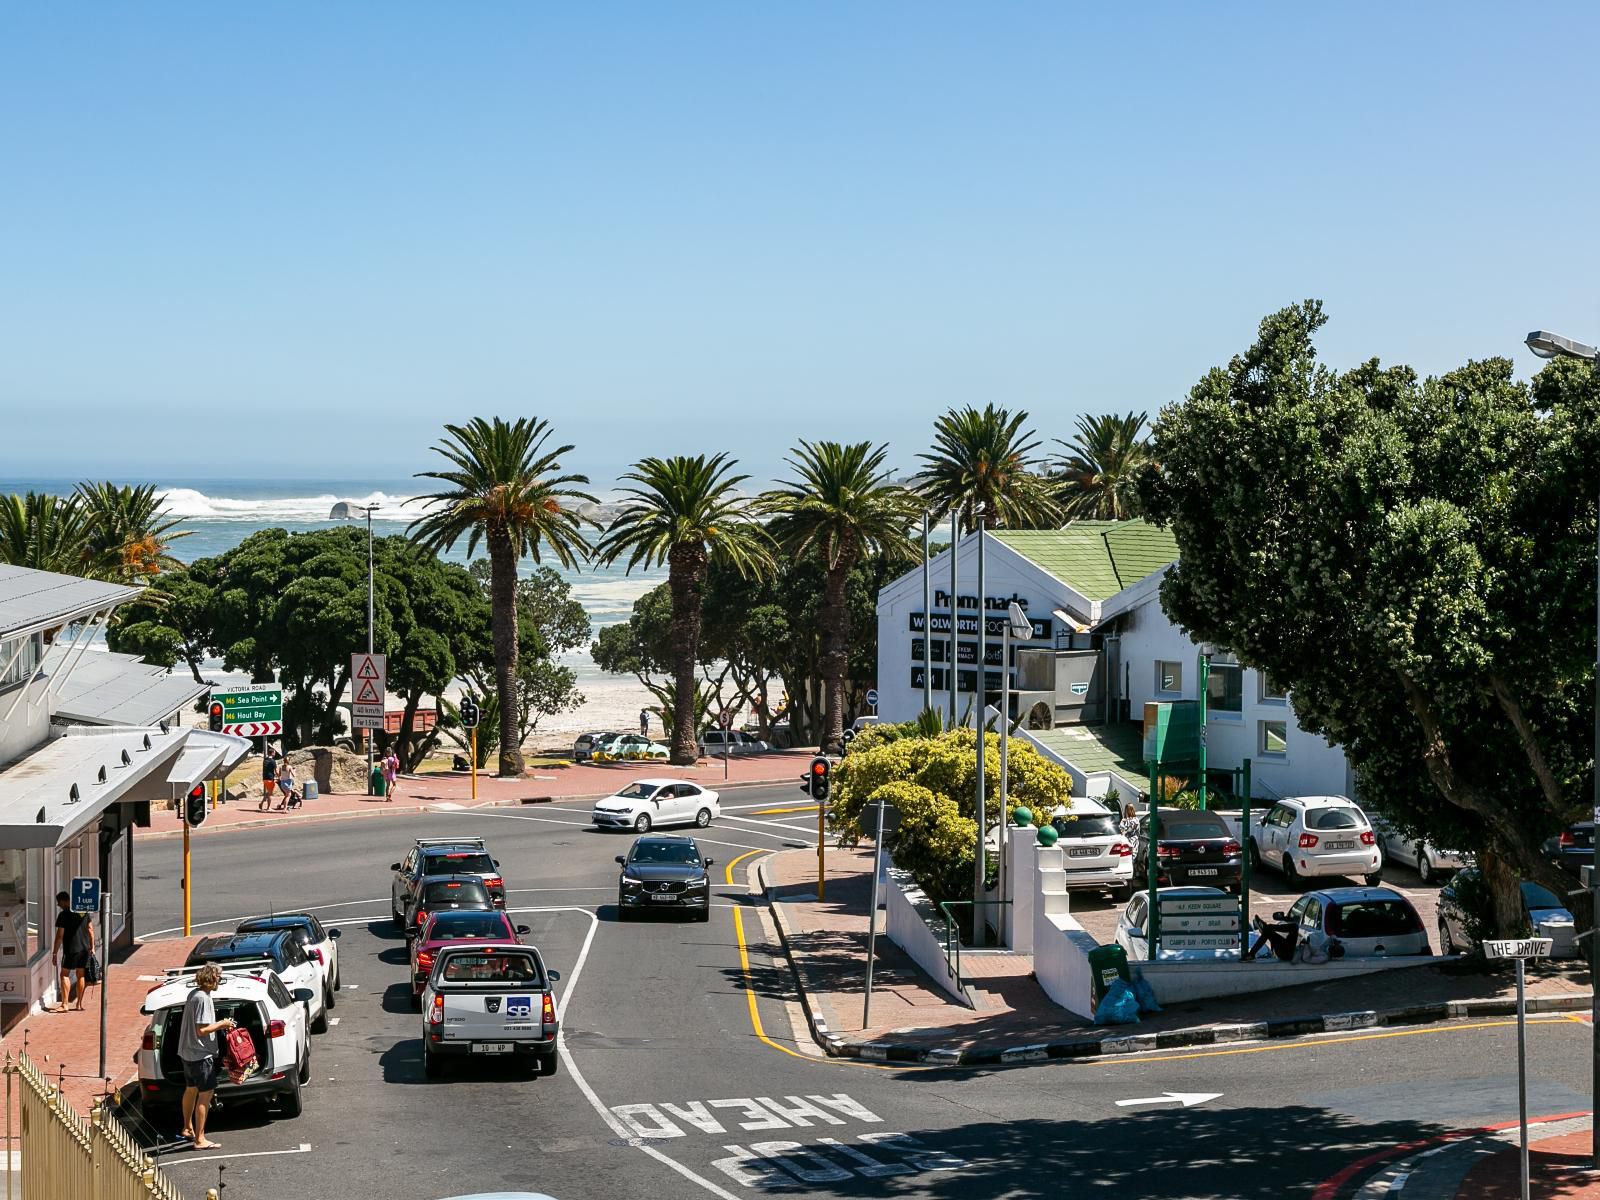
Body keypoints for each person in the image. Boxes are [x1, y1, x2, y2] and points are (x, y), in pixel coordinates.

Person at [178, 962, 235, 1150]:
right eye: (218, 976)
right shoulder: (203, 998)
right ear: (211, 977)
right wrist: (223, 1023)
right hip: (200, 1055)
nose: (220, 980)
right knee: (205, 1096)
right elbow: (202, 1029)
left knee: (191, 1090)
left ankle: (187, 1128)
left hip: (187, 1052)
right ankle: (200, 1139)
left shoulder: (193, 994)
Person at [49, 891, 94, 1012]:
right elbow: (90, 930)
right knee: (81, 975)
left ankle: (65, 1004)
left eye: (59, 903)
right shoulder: (82, 911)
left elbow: (59, 936)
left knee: (64, 974)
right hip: (84, 949)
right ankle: (78, 1004)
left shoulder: (64, 915)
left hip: (71, 949)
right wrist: (92, 947)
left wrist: (54, 953)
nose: (59, 905)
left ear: (64, 901)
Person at [258, 746, 278, 812]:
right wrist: (280, 776)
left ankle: (261, 803)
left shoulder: (265, 760)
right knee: (270, 794)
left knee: (268, 792)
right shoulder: (273, 761)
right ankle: (268, 808)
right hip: (270, 778)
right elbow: (276, 771)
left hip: (265, 778)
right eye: (274, 752)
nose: (275, 754)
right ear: (272, 753)